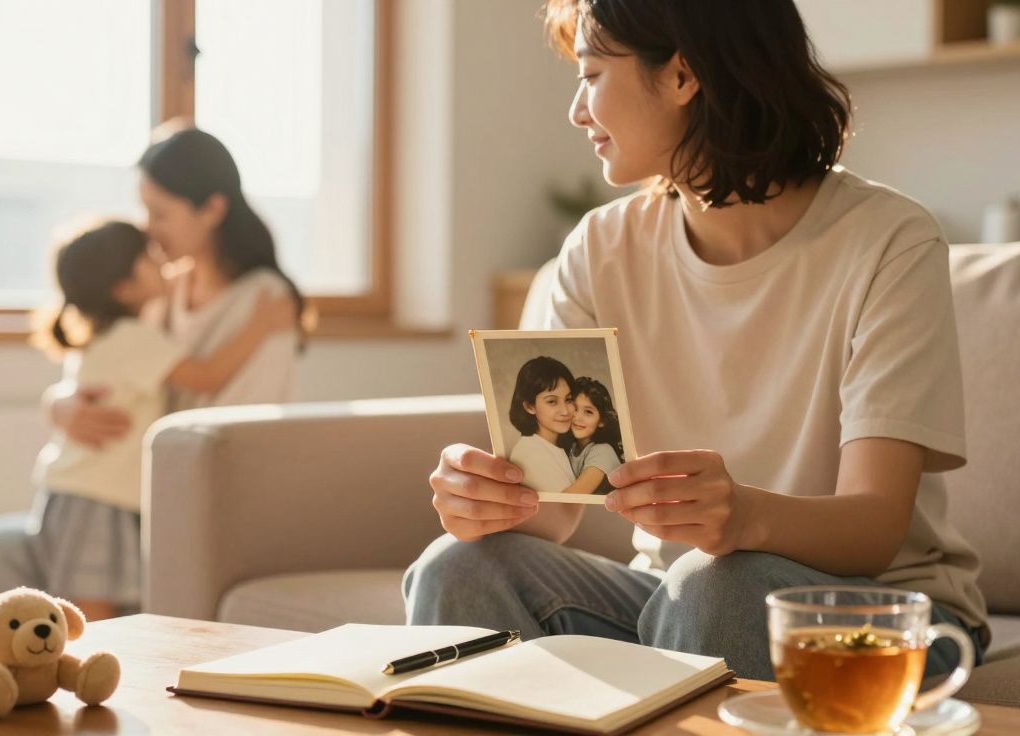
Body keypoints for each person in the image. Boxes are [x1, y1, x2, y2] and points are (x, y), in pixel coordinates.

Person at [406, 0, 988, 681]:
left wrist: (742, 517)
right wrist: (488, 502)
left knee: (715, 587)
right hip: (676, 603)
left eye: (592, 74)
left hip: (884, 613)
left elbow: (875, 527)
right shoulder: (599, 249)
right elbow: (557, 513)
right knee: (460, 567)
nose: (577, 111)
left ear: (682, 75)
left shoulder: (888, 241)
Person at [0, 124, 304, 612]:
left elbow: (233, 428)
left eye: (160, 213)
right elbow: (104, 368)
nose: (147, 229)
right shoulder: (156, 287)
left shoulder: (263, 300)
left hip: (183, 496)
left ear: (212, 209)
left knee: (77, 598)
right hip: (121, 490)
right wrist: (59, 406)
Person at [4, 220, 295, 620]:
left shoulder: (113, 334)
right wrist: (260, 325)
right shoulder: (133, 339)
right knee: (90, 618)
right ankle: (84, 681)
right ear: (123, 288)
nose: (158, 256)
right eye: (146, 257)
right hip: (96, 500)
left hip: (83, 493)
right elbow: (207, 375)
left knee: (95, 612)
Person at [506, 356, 578, 496]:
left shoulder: (556, 447)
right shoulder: (531, 453)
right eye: (552, 401)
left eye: (568, 399)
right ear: (529, 406)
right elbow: (566, 505)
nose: (565, 411)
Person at [564, 377, 623, 496]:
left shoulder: (603, 451)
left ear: (601, 421)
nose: (577, 418)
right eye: (574, 409)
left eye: (588, 412)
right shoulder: (571, 448)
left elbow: (573, 497)